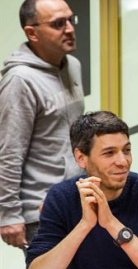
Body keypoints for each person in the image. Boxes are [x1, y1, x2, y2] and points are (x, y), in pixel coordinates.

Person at [26, 111, 138, 269]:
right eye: (109, 153)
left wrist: (111, 224)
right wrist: (85, 225)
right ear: (81, 158)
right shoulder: (61, 197)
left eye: (127, 150)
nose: (123, 161)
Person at [0, 0, 84, 250]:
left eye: (71, 20)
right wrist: (9, 215)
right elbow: (8, 152)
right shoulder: (19, 81)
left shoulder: (73, 66)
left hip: (76, 201)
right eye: (59, 24)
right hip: (41, 211)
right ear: (31, 33)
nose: (69, 29)